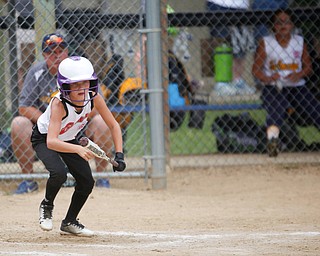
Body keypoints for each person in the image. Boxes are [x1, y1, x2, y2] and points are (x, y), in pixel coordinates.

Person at [31, 56, 126, 236]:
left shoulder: (94, 97)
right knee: (59, 173)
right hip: (44, 139)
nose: (82, 90)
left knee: (87, 181)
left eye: (85, 83)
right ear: (64, 87)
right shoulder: (59, 103)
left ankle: (69, 222)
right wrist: (78, 148)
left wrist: (119, 155)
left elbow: (113, 125)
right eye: (75, 85)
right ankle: (46, 205)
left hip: (69, 138)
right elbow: (51, 141)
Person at [11, 33, 110, 194]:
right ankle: (28, 180)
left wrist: (77, 118)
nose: (57, 56)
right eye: (51, 52)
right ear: (44, 55)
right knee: (18, 123)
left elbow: (98, 104)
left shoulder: (79, 69)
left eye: (60, 50)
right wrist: (50, 122)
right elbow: (24, 107)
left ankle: (101, 176)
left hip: (79, 125)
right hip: (48, 128)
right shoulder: (36, 72)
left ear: (67, 52)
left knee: (102, 122)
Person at [252, 9, 320, 157]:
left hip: (296, 86)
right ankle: (272, 142)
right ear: (273, 26)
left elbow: (308, 67)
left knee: (315, 109)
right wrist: (269, 78)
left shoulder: (299, 41)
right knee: (276, 110)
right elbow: (256, 70)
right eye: (278, 22)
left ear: (292, 25)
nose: (283, 25)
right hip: (274, 87)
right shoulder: (266, 42)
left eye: (287, 22)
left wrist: (298, 74)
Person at [206, 0, 256, 96]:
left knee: (240, 42)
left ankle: (237, 81)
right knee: (220, 41)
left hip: (241, 5)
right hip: (218, 3)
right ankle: (221, 83)